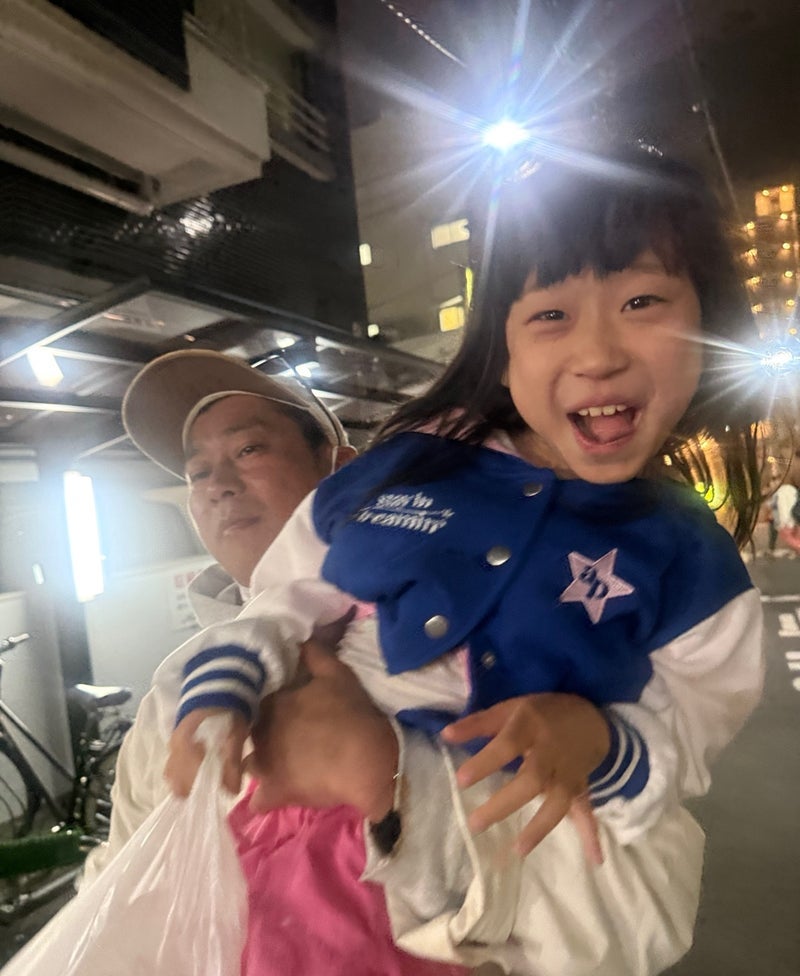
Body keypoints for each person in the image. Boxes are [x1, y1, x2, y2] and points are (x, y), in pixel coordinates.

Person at [160, 150, 765, 975]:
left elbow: (682, 747)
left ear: (710, 326)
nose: (597, 352)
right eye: (550, 314)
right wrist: (219, 694)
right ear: (502, 352)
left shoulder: (696, 565)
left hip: (489, 885)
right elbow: (281, 600)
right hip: (280, 857)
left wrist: (596, 739)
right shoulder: (407, 466)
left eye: (642, 301)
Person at [83, 348, 467, 976]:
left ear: (339, 469)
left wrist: (401, 786)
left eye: (248, 449)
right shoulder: (173, 696)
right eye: (197, 471)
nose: (218, 484)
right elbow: (121, 874)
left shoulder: (446, 628)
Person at [770, 450, 800, 556]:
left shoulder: (784, 491)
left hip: (787, 520)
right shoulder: (788, 489)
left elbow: (784, 506)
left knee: (787, 536)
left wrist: (784, 521)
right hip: (789, 519)